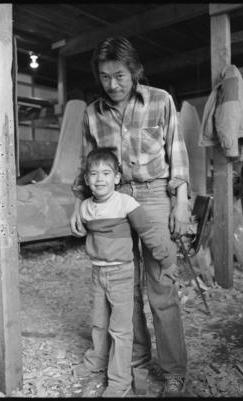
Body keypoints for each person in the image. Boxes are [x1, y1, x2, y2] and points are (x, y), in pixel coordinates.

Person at [70, 36, 191, 397]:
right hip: (114, 200)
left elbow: (178, 152)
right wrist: (79, 205)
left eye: (119, 75)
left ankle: (173, 370)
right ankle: (135, 358)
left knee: (161, 286)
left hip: (154, 195)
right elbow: (86, 166)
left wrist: (181, 202)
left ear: (134, 70)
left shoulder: (160, 101)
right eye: (105, 77)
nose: (113, 84)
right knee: (125, 287)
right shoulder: (93, 113)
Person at [77, 147, 179, 397]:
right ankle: (96, 361)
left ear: (116, 178)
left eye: (106, 173)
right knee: (99, 323)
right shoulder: (85, 207)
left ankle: (119, 382)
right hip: (97, 274)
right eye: (93, 174)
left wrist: (166, 261)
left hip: (121, 275)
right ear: (87, 180)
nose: (99, 179)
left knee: (120, 331)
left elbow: (149, 234)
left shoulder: (126, 203)